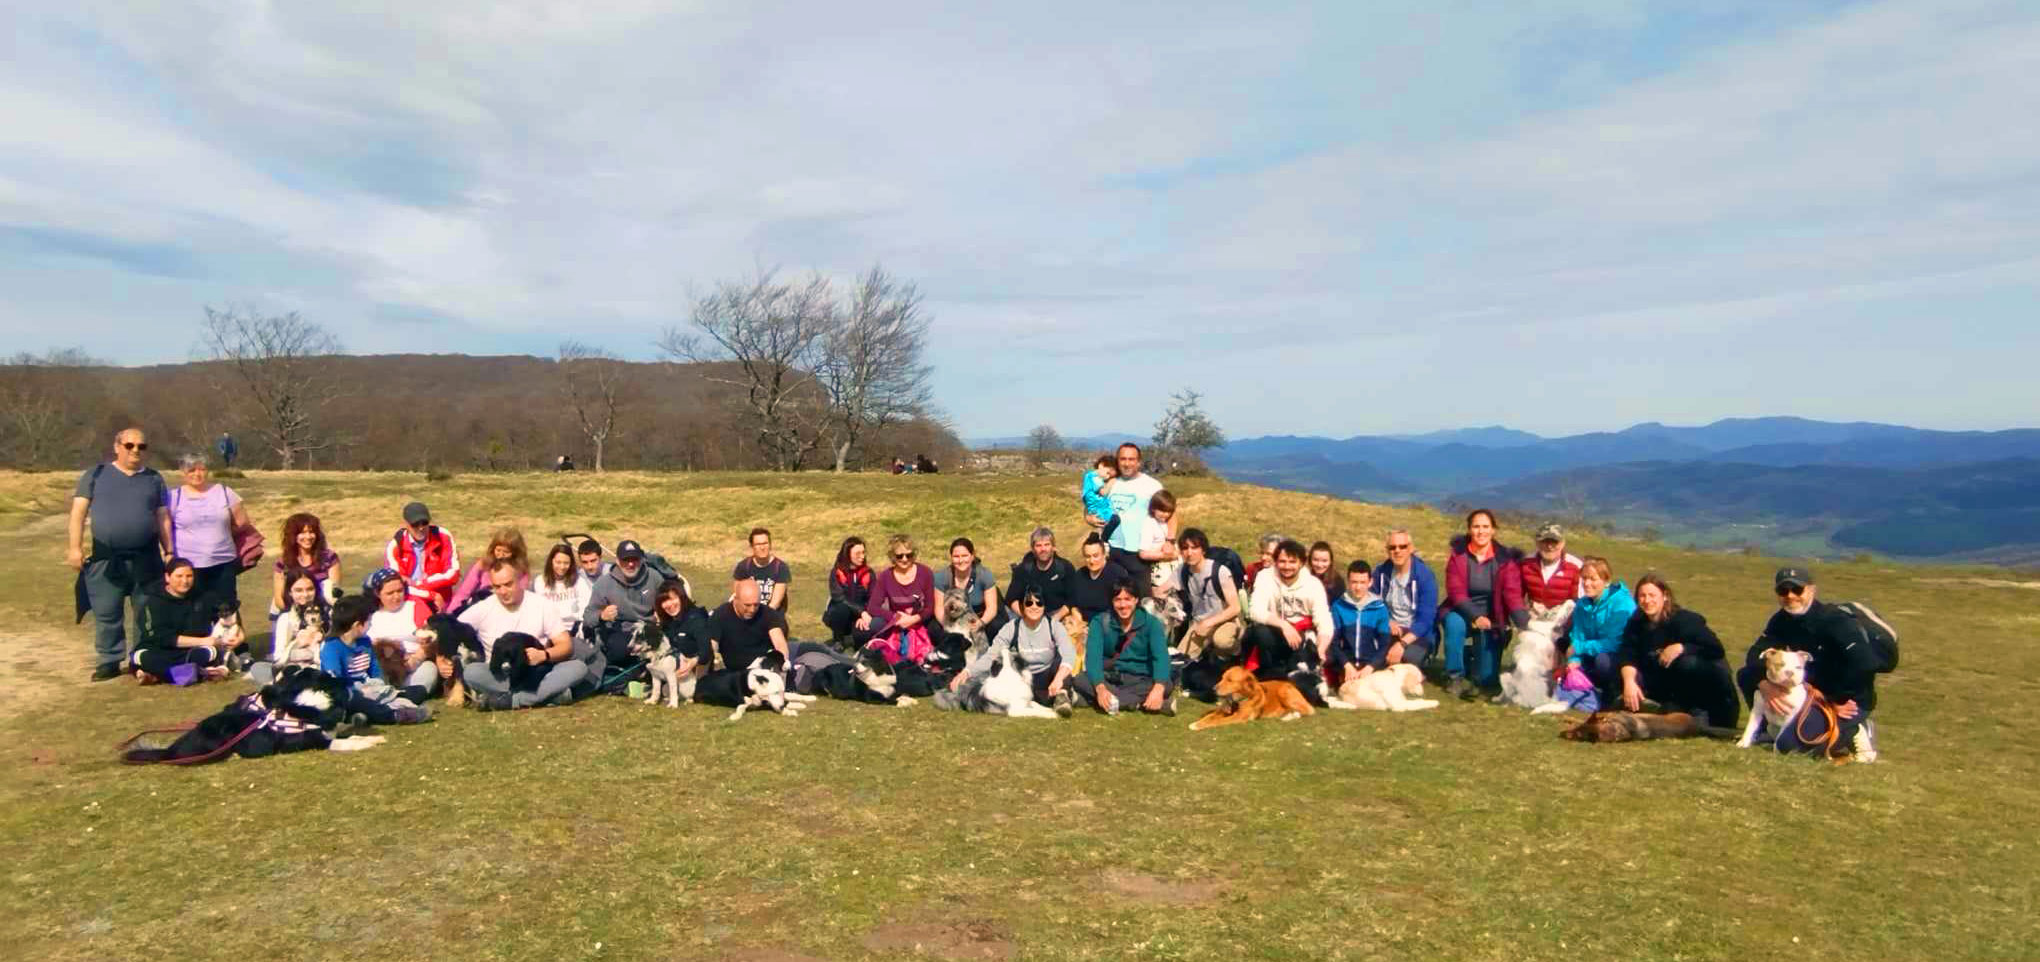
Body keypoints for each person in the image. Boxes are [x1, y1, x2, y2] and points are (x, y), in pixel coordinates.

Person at [1739, 567, 1882, 760]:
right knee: (1746, 675)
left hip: (1846, 700)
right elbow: (1755, 655)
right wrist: (1765, 685)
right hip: (1809, 694)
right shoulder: (1781, 620)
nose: (1790, 596)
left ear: (1811, 590)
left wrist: (1833, 700)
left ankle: (1856, 729)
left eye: (1797, 590)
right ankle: (1768, 731)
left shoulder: (1834, 620)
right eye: (1783, 591)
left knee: (1793, 748)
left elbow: (1865, 664)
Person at [70, 427, 173, 681]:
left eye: (141, 446)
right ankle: (109, 660)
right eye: (130, 445)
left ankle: (141, 658)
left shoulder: (154, 478)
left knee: (145, 611)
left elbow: (163, 517)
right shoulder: (96, 475)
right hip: (106, 559)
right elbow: (78, 513)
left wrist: (170, 550)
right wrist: (74, 547)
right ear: (117, 447)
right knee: (107, 611)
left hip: (145, 557)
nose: (136, 450)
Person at [459, 561, 586, 711]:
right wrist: (441, 658)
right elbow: (450, 630)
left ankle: (511, 700)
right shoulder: (482, 608)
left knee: (578, 668)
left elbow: (565, 645)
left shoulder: (541, 605)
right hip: (501, 675)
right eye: (497, 587)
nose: (503, 591)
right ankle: (550, 696)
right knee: (471, 672)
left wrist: (544, 655)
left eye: (508, 584)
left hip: (538, 672)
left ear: (520, 581)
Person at [1617, 574, 1740, 727]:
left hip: (1716, 697)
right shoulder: (1636, 623)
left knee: (1686, 663)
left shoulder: (1684, 620)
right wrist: (1629, 682)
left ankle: (1700, 712)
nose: (1647, 600)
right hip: (1671, 690)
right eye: (1642, 596)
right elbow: (1627, 653)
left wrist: (1682, 647)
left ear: (1665, 596)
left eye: (1652, 595)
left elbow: (1716, 649)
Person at [943, 586, 1077, 717]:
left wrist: (1059, 678)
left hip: (1049, 677)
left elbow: (1068, 653)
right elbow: (991, 655)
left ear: (1044, 606)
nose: (1034, 607)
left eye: (1039, 603)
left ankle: (1062, 697)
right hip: (1024, 680)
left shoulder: (1054, 626)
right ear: (1022, 606)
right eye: (1029, 603)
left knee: (1062, 663)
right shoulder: (1012, 628)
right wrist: (967, 672)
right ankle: (1057, 697)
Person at [1442, 508, 1524, 699]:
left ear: (1493, 530)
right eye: (1476, 526)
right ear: (1469, 530)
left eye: (1486, 526)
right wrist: (1475, 616)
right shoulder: (1458, 556)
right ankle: (1454, 675)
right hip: (1461, 611)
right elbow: (1455, 592)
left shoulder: (1505, 559)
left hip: (1492, 617)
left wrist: (1524, 623)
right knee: (1453, 624)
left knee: (1487, 680)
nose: (1481, 531)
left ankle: (1470, 657)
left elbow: (1513, 595)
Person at [320, 593, 430, 724]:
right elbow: (335, 682)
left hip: (372, 689)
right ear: (357, 625)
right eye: (369, 621)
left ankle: (360, 716)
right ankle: (394, 715)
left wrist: (378, 684)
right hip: (349, 694)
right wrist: (360, 690)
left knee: (419, 691)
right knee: (360, 701)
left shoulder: (364, 642)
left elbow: (375, 668)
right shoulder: (332, 647)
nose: (370, 625)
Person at [166, 453, 251, 617]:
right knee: (195, 609)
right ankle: (199, 642)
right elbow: (165, 527)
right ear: (183, 472)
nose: (197, 474)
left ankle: (233, 642)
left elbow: (242, 522)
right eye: (191, 470)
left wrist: (221, 536)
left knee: (227, 608)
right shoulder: (173, 497)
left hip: (223, 563)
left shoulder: (224, 492)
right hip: (189, 565)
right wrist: (169, 553)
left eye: (202, 469)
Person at [1073, 580, 1175, 716]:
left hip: (1141, 678)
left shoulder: (1151, 623)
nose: (1123, 605)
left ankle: (1098, 701)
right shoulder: (1100, 622)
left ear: (1136, 600)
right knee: (1080, 679)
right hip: (1110, 677)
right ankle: (1141, 704)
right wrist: (1100, 688)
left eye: (1128, 599)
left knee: (1165, 684)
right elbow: (1093, 658)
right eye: (1118, 600)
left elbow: (1161, 657)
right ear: (1112, 602)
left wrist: (1158, 688)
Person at [1245, 539, 1334, 692]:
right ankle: (1270, 677)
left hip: (1302, 637)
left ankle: (1290, 677)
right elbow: (1255, 610)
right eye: (1282, 561)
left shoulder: (1313, 584)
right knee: (1259, 632)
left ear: (1302, 563)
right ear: (1275, 561)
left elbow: (1324, 619)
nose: (1287, 567)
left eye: (1292, 562)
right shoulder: (1265, 577)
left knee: (1307, 678)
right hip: (1276, 633)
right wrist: (1284, 625)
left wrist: (1321, 648)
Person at [132, 557, 236, 682]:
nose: (185, 581)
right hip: (159, 650)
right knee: (141, 656)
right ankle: (200, 672)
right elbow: (162, 638)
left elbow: (227, 613)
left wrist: (236, 635)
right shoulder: (153, 602)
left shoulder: (203, 597)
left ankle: (157, 675)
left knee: (210, 653)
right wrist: (204, 641)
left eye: (189, 576)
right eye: (179, 576)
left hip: (192, 651)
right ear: (167, 577)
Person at [696, 580, 794, 706]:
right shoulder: (721, 615)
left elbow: (780, 645)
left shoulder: (768, 614)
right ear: (735, 599)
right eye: (747, 605)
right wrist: (700, 680)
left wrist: (778, 670)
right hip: (736, 676)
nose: (752, 609)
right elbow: (711, 647)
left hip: (763, 672)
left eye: (756, 605)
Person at [1366, 528, 1438, 671]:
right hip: (1390, 629)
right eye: (1392, 547)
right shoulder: (1380, 572)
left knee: (1408, 657)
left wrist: (1402, 644)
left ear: (1411, 548)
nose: (1397, 551)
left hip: (1416, 633)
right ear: (1387, 550)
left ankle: (1424, 658)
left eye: (1402, 546)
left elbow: (1426, 619)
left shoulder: (1425, 576)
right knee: (1365, 650)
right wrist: (1385, 620)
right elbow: (1370, 602)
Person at [584, 540, 662, 666]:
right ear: (618, 561)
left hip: (650, 627)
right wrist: (602, 615)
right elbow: (588, 617)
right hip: (622, 630)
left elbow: (669, 599)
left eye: (634, 559)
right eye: (626, 560)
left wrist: (661, 612)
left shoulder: (654, 577)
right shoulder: (604, 583)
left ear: (642, 559)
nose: (631, 564)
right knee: (618, 650)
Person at [1565, 557, 1634, 699]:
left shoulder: (1621, 603)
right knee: (1563, 643)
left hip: (1621, 657)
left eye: (1593, 579)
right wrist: (1574, 660)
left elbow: (1614, 643)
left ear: (1606, 581)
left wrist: (1579, 648)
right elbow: (1577, 635)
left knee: (1602, 661)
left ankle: (1612, 693)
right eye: (1584, 578)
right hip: (1592, 651)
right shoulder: (1582, 605)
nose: (1587, 583)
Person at [1101, 443, 1163, 590]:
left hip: (1139, 552)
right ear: (1117, 461)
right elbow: (1092, 507)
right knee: (1113, 596)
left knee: (1142, 598)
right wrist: (1089, 518)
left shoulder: (1152, 485)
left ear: (1139, 462)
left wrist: (1170, 540)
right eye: (1123, 459)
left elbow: (1170, 513)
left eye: (1131, 459)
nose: (1127, 463)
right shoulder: (1110, 484)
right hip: (1111, 551)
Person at [1175, 528, 1242, 661]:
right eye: (1185, 548)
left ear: (1203, 550)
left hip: (1225, 621)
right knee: (1180, 661)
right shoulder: (1182, 570)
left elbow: (1235, 608)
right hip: (1199, 624)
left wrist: (1209, 622)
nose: (1189, 553)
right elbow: (1162, 590)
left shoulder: (1219, 571)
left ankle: (1239, 653)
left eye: (1194, 548)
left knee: (1221, 641)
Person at [251, 568, 327, 685]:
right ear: (290, 592)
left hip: (320, 667)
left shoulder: (326, 614)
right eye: (298, 590)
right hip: (291, 667)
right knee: (257, 668)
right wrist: (300, 647)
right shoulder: (285, 618)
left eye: (310, 589)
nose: (305, 595)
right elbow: (279, 655)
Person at [384, 501, 460, 612]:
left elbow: (453, 574)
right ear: (406, 524)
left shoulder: (443, 536)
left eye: (424, 523)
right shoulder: (395, 546)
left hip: (442, 603)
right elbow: (396, 586)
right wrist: (429, 595)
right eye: (415, 524)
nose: (421, 528)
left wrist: (419, 584)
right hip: (410, 601)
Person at [933, 537, 1005, 645]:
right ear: (951, 558)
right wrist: (949, 626)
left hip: (979, 617)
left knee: (997, 625)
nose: (961, 560)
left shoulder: (984, 575)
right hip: (953, 620)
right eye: (956, 557)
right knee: (934, 628)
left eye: (965, 556)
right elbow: (939, 608)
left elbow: (992, 608)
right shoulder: (941, 577)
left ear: (972, 556)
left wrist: (980, 623)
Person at [270, 512, 341, 618]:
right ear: (293, 536)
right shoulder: (283, 563)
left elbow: (333, 592)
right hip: (291, 611)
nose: (308, 537)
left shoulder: (329, 558)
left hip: (321, 610)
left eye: (311, 532)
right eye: (302, 533)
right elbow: (279, 599)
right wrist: (296, 614)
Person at [446, 527, 530, 613]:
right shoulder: (483, 565)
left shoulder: (520, 571)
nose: (501, 555)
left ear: (515, 553)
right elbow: (464, 592)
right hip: (479, 606)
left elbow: (520, 597)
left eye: (506, 552)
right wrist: (451, 612)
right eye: (498, 550)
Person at [1006, 527, 1076, 623]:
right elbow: (1011, 599)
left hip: (1059, 616)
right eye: (1038, 546)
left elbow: (1072, 599)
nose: (1043, 549)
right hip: (1030, 615)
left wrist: (1055, 618)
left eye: (1047, 545)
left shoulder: (1065, 567)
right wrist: (1027, 617)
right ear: (1033, 549)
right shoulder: (1023, 569)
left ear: (1053, 547)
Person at [823, 536, 879, 650]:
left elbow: (873, 598)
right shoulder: (837, 572)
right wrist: (861, 612)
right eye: (857, 553)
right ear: (847, 554)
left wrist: (864, 614)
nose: (862, 557)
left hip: (862, 614)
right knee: (841, 608)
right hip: (840, 613)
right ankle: (838, 639)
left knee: (864, 632)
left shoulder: (869, 573)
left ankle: (859, 642)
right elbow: (838, 597)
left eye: (863, 552)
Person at [532, 544, 593, 639]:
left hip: (573, 628)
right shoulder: (540, 581)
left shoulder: (579, 581)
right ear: (551, 561)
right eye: (558, 562)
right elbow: (539, 610)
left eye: (566, 563)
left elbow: (586, 607)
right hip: (550, 630)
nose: (562, 567)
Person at [1069, 533, 1130, 627]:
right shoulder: (1079, 575)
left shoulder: (1117, 574)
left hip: (1110, 624)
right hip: (1084, 625)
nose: (1092, 561)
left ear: (1104, 554)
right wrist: (1079, 621)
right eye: (1087, 557)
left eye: (1095, 556)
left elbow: (1124, 605)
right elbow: (1074, 605)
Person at [734, 527, 791, 612]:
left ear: (770, 545)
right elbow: (738, 596)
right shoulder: (743, 567)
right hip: (749, 614)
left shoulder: (780, 568)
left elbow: (775, 603)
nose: (762, 547)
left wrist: (761, 619)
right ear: (752, 546)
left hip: (772, 616)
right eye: (758, 544)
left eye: (765, 543)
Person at [1081, 454, 1119, 539]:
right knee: (1113, 519)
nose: (1108, 477)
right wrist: (1112, 481)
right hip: (1097, 506)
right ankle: (1104, 538)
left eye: (1111, 476)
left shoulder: (1092, 477)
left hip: (1095, 506)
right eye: (1108, 473)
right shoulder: (1094, 478)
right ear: (1101, 465)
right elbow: (1104, 492)